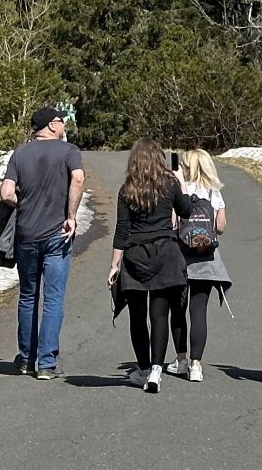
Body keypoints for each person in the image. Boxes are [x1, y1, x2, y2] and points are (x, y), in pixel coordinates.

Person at [0, 105, 84, 379]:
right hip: (57, 235)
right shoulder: (69, 152)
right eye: (61, 121)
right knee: (53, 299)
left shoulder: (19, 154)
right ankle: (47, 364)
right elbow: (78, 178)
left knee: (27, 296)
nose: (64, 126)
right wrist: (70, 215)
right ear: (50, 125)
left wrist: (23, 203)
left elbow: (6, 192)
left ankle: (26, 359)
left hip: (26, 235)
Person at [108, 137, 191, 393]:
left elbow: (122, 228)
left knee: (137, 316)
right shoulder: (169, 183)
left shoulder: (127, 189)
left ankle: (143, 368)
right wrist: (182, 182)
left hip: (135, 255)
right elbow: (186, 211)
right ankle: (157, 369)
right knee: (159, 314)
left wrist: (114, 264)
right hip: (165, 251)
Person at [164, 147, 231, 382]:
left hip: (180, 256)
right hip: (205, 258)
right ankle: (196, 364)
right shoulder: (214, 191)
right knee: (198, 311)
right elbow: (220, 227)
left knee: (178, 311)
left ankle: (181, 359)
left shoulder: (178, 190)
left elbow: (173, 223)